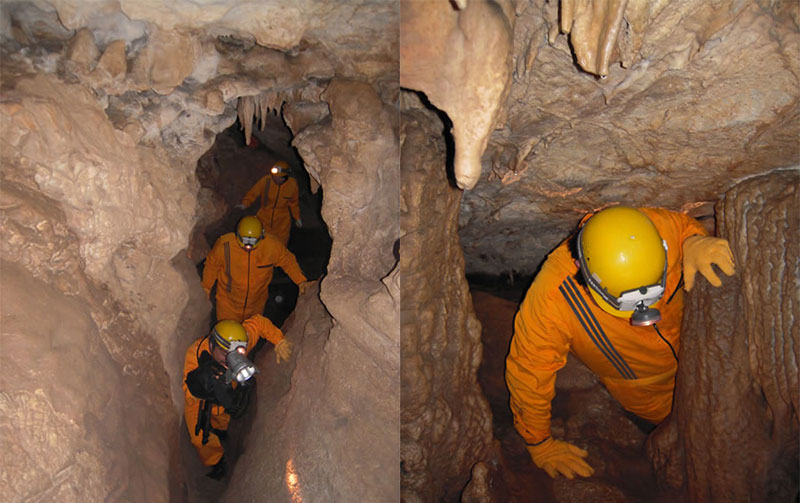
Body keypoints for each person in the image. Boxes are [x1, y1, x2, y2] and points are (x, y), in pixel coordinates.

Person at [505, 206, 735, 480]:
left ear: (662, 248)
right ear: (582, 270)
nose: (643, 313)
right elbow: (529, 371)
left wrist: (694, 238)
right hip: (649, 396)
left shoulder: (659, 227)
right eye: (624, 304)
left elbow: (683, 227)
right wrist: (538, 442)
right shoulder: (553, 299)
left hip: (705, 363)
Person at [183, 316, 292, 479]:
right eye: (224, 353)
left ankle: (221, 429)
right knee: (199, 439)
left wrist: (279, 340)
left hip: (226, 391)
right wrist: (201, 387)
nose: (229, 358)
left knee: (222, 414)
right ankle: (216, 460)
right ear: (212, 344)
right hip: (201, 399)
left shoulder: (241, 341)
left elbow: (259, 323)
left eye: (236, 353)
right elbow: (188, 393)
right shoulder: (196, 353)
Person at [202, 216, 311, 323]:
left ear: (261, 236)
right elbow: (212, 266)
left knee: (250, 336)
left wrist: (300, 281)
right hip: (228, 305)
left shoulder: (271, 247)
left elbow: (287, 261)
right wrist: (206, 288)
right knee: (228, 336)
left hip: (256, 305)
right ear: (237, 234)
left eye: (253, 241)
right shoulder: (225, 246)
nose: (248, 246)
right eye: (244, 240)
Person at [236, 160, 302, 246]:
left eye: (279, 177)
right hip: (264, 215)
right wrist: (245, 203)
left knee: (280, 244)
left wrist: (297, 217)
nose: (276, 179)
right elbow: (254, 192)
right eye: (275, 176)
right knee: (261, 241)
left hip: (282, 220)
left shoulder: (292, 184)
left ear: (285, 177)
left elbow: (294, 203)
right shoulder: (266, 181)